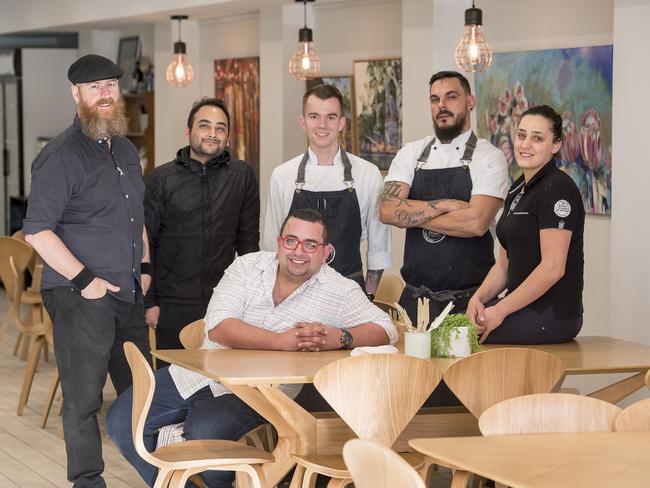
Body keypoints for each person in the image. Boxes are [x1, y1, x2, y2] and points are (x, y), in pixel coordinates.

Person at [106, 208, 397, 488]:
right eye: (291, 241)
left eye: (311, 244)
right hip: (200, 372)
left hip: (262, 393)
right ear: (280, 242)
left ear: (325, 252)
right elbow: (218, 327)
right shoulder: (247, 266)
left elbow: (386, 329)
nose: (298, 252)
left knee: (205, 434)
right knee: (121, 421)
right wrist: (283, 341)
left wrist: (340, 338)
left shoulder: (339, 290)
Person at [23, 54, 151, 488]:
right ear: (75, 93)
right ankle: (88, 482)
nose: (105, 93)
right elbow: (37, 232)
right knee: (83, 401)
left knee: (143, 394)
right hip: (82, 297)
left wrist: (145, 265)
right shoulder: (59, 156)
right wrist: (86, 281)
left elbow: (135, 215)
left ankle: (164, 474)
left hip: (129, 294)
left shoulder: (126, 149)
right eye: (94, 87)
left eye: (111, 85)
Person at [380, 70, 508, 322]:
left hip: (471, 301)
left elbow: (475, 223)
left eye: (451, 97)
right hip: (415, 301)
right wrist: (447, 205)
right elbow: (387, 210)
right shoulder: (411, 153)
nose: (442, 106)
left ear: (470, 102)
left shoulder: (489, 157)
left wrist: (412, 216)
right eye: (435, 99)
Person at [144, 97, 260, 356]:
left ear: (228, 137)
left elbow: (249, 243)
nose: (212, 134)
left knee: (220, 384)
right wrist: (149, 302)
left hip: (224, 301)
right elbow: (144, 243)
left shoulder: (242, 176)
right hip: (172, 302)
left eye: (220, 128)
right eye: (205, 126)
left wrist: (251, 300)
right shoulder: (160, 179)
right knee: (174, 381)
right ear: (188, 131)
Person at [466, 105, 584, 344]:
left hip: (552, 315)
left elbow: (553, 268)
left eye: (537, 138)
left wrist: (498, 311)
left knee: (461, 339)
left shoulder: (558, 189)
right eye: (521, 135)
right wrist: (477, 299)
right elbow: (503, 266)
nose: (525, 144)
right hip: (520, 308)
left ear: (556, 145)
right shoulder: (518, 188)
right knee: (459, 326)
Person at [263, 84, 391, 296]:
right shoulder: (282, 176)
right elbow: (271, 250)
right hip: (295, 293)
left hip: (349, 291)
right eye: (314, 116)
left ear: (341, 123)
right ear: (303, 122)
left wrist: (367, 297)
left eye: (331, 117)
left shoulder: (368, 174)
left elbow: (379, 248)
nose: (322, 124)